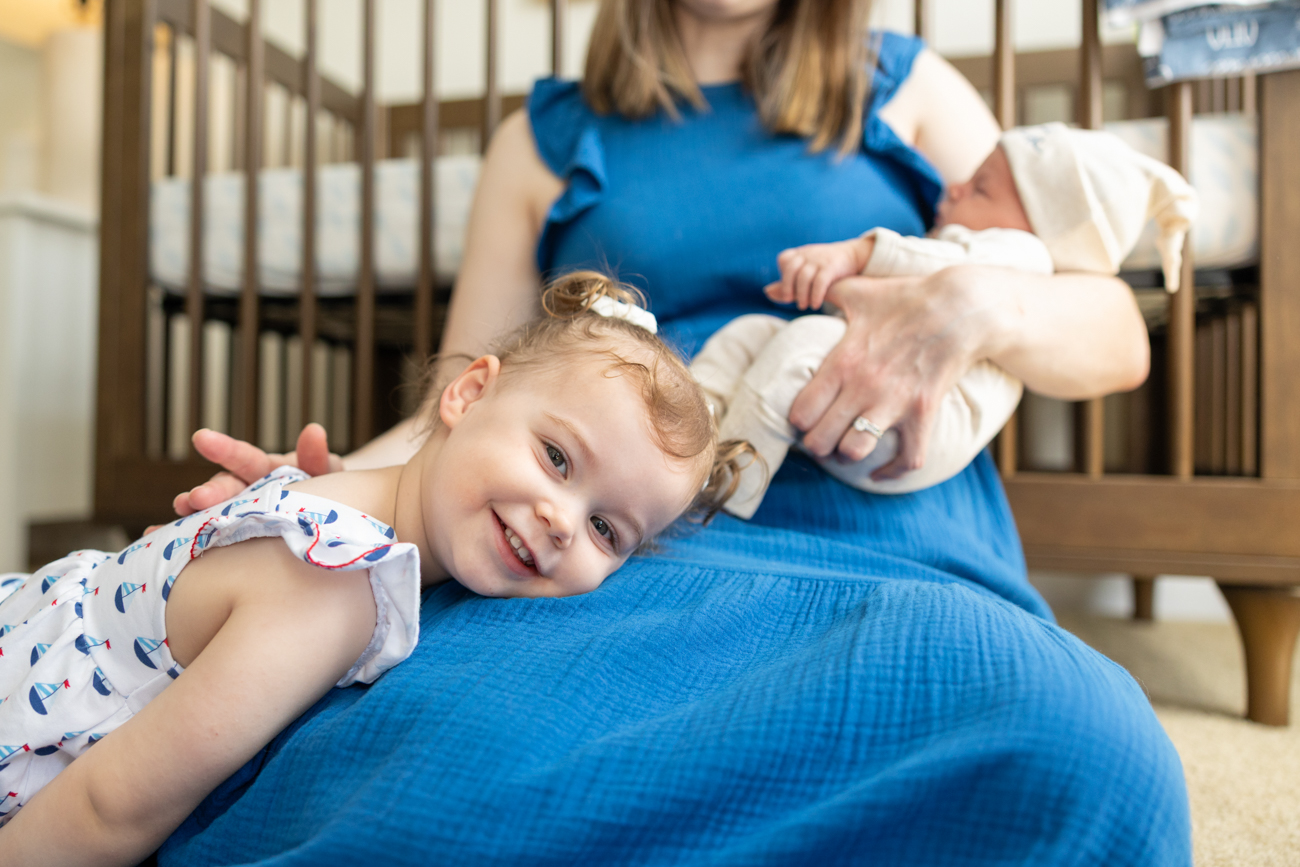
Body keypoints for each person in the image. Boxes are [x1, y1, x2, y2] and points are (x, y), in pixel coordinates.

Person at [162, 1, 1192, 864]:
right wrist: (325, 494)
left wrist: (969, 309)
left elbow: (1115, 337)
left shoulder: (905, 84)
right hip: (615, 545)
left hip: (897, 552)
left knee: (1088, 752)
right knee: (392, 755)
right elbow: (460, 397)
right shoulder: (541, 140)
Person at [0, 273, 746, 866]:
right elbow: (112, 806)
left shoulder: (325, 489)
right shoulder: (336, 584)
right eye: (556, 457)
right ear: (467, 393)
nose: (561, 518)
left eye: (606, 528)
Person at [692, 120, 1198, 515]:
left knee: (795, 352)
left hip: (917, 420)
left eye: (979, 189)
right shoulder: (996, 241)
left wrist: (859, 253)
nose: (952, 188)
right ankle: (690, 428)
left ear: (1042, 226)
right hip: (856, 399)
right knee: (751, 334)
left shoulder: (1021, 254)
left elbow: (939, 267)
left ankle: (723, 492)